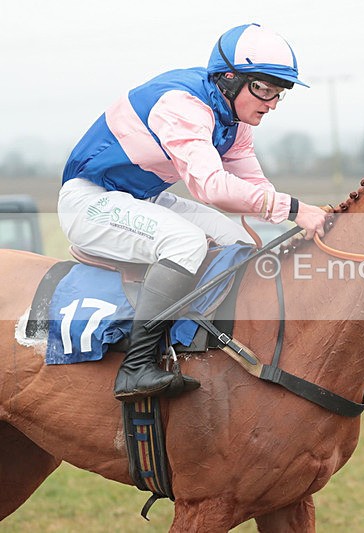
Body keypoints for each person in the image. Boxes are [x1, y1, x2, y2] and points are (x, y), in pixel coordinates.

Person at [58, 23, 327, 401]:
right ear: (229, 79)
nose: (271, 103)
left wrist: (304, 217)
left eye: (278, 93)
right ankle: (136, 367)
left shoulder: (233, 121)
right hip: (89, 202)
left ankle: (208, 345)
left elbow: (255, 188)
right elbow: (212, 187)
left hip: (141, 199)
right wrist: (295, 209)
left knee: (236, 241)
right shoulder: (182, 105)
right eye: (264, 89)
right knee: (185, 242)